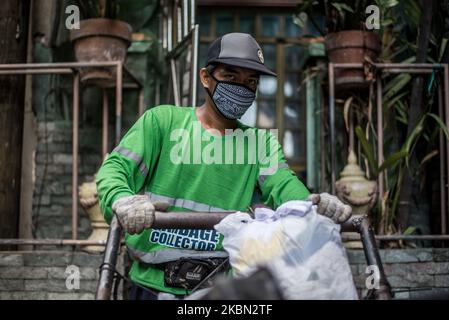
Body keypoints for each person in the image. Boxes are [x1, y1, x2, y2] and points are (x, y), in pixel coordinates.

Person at [96, 32, 352, 300]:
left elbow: (283, 184)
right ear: (206, 77)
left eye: (251, 82)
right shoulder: (162, 122)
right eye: (231, 77)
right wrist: (122, 199)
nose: (242, 88)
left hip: (218, 292)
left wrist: (311, 205)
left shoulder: (259, 143)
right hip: (150, 285)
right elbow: (115, 169)